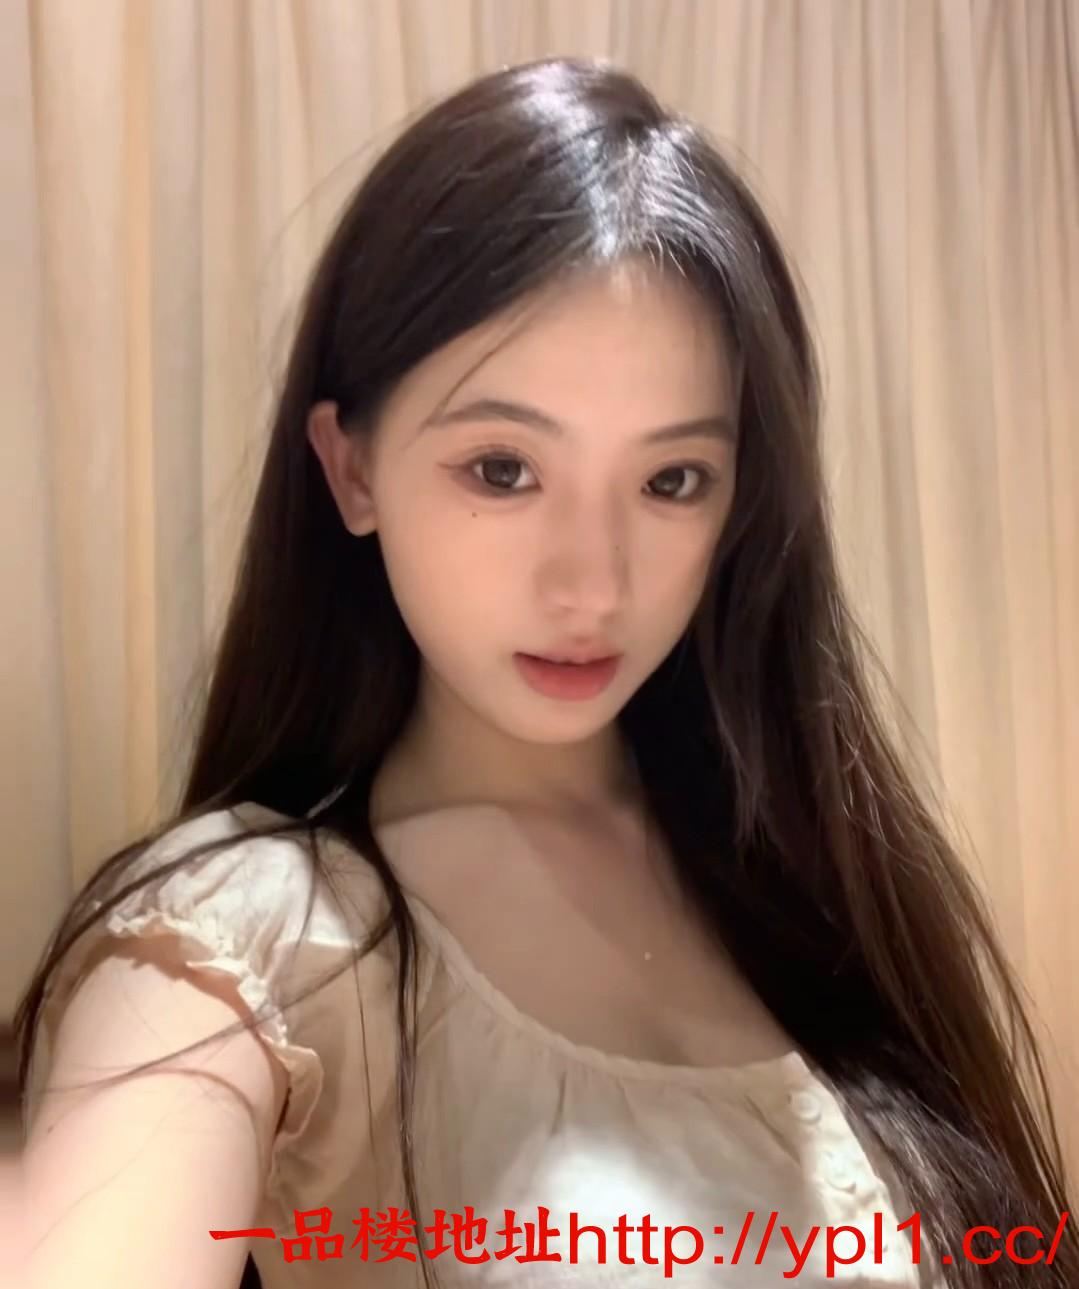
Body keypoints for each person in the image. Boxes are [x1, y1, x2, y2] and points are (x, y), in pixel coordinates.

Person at [15, 55, 1075, 1289]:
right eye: (502, 469)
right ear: (351, 469)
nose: (593, 585)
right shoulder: (248, 940)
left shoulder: (813, 883)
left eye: (671, 479)